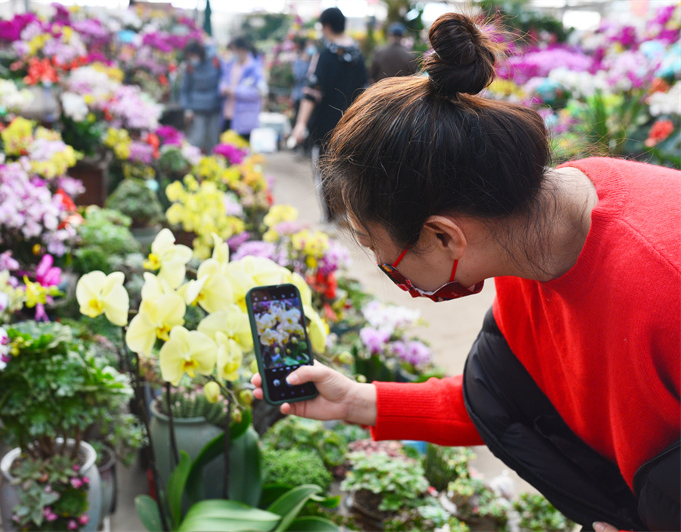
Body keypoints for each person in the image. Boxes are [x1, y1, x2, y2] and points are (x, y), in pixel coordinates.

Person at [254, 12, 680, 531]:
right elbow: (499, 399)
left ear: (443, 236)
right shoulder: (530, 233)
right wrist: (359, 401)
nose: (401, 283)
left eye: (391, 264)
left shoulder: (663, 277)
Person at [290, 7, 367, 222]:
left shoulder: (325, 55)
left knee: (324, 169)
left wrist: (300, 124)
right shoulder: (358, 55)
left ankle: (330, 217)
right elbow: (365, 89)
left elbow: (312, 92)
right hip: (353, 123)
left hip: (326, 124)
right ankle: (346, 213)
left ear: (326, 26)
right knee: (349, 169)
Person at [219, 36, 267, 144]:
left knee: (242, 150)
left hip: (245, 116)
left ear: (241, 50)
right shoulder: (230, 65)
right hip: (227, 113)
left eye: (233, 50)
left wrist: (235, 91)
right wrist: (222, 88)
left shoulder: (255, 68)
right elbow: (222, 81)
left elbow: (260, 91)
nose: (232, 53)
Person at [179, 40, 222, 153]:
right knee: (197, 139)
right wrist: (187, 108)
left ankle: (213, 165)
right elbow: (185, 89)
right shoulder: (190, 67)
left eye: (193, 56)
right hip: (197, 109)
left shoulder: (215, 61)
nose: (192, 59)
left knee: (214, 140)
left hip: (215, 107)